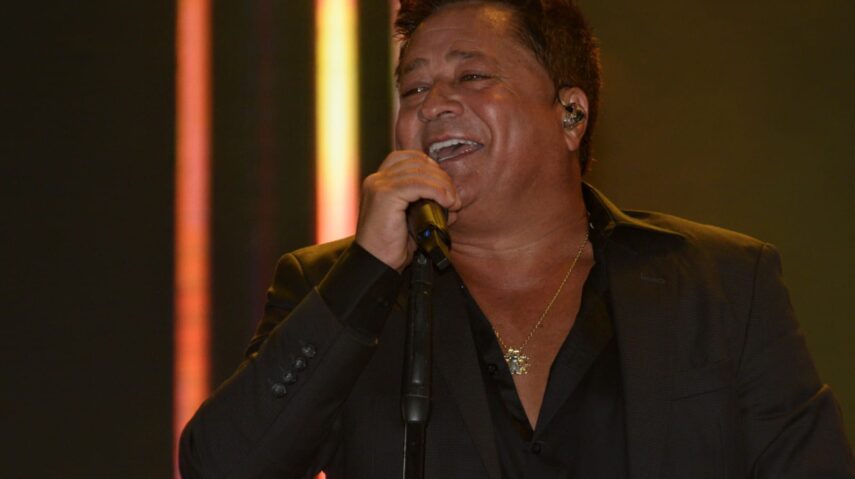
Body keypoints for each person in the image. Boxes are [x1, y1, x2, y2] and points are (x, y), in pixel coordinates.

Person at [179, 1, 855, 477]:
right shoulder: (335, 288)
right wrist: (368, 272)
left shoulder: (720, 282)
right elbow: (222, 466)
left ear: (570, 114)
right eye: (412, 89)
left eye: (471, 76)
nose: (432, 104)